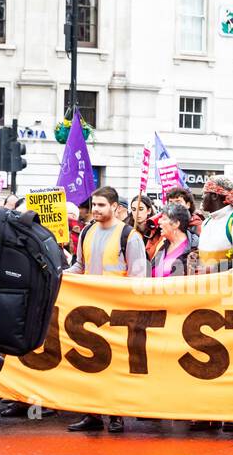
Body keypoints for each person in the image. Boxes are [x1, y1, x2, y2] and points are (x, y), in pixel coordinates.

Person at [67, 186, 146, 434]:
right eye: (94, 205)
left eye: (101, 205)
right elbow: (80, 267)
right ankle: (91, 413)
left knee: (115, 365)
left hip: (118, 312)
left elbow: (138, 277)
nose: (96, 210)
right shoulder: (86, 232)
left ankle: (116, 415)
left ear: (115, 207)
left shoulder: (130, 236)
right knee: (89, 363)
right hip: (89, 311)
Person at [150, 204, 195, 277]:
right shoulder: (164, 245)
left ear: (176, 224)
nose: (159, 221)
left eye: (164, 219)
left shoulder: (191, 251)